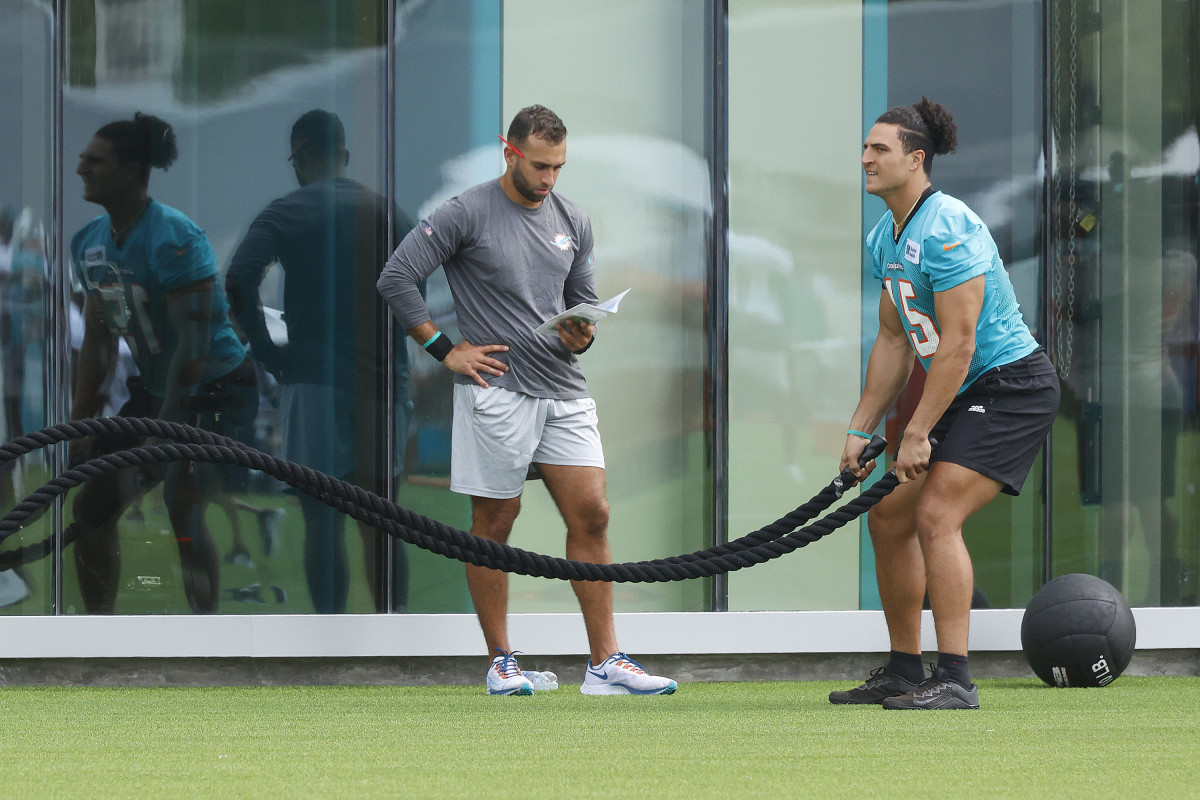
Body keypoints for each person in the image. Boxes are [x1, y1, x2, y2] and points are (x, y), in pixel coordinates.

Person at [377, 104, 677, 696]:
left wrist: (582, 333)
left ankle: (604, 664)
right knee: (495, 521)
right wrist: (446, 352)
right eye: (540, 166)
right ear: (508, 150)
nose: (549, 179)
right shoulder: (466, 211)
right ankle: (501, 662)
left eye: (559, 168)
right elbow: (396, 278)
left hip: (563, 387)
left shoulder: (575, 219)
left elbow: (582, 307)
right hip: (496, 390)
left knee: (593, 513)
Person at [829, 98, 1060, 709]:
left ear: (916, 158)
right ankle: (907, 669)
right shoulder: (886, 235)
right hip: (961, 392)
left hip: (1011, 388)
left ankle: (955, 678)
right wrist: (861, 428)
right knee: (889, 518)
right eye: (866, 147)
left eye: (879, 149)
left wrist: (915, 431)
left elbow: (957, 346)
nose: (866, 159)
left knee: (935, 514)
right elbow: (893, 338)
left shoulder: (949, 224)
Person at [225, 109, 413, 613]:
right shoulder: (391, 212)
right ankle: (392, 641)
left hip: (312, 380)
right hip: (383, 384)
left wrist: (269, 354)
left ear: (300, 157)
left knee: (321, 519)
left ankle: (332, 643)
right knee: (384, 522)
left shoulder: (288, 211)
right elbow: (422, 284)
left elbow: (238, 280)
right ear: (345, 155)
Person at [70, 112, 257, 613]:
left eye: (95, 161)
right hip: (156, 388)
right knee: (91, 505)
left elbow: (192, 348)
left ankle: (205, 637)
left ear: (131, 171)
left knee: (183, 510)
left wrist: (164, 425)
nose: (81, 169)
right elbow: (99, 340)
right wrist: (81, 420)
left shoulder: (175, 237)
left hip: (214, 387)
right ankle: (97, 637)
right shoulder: (89, 242)